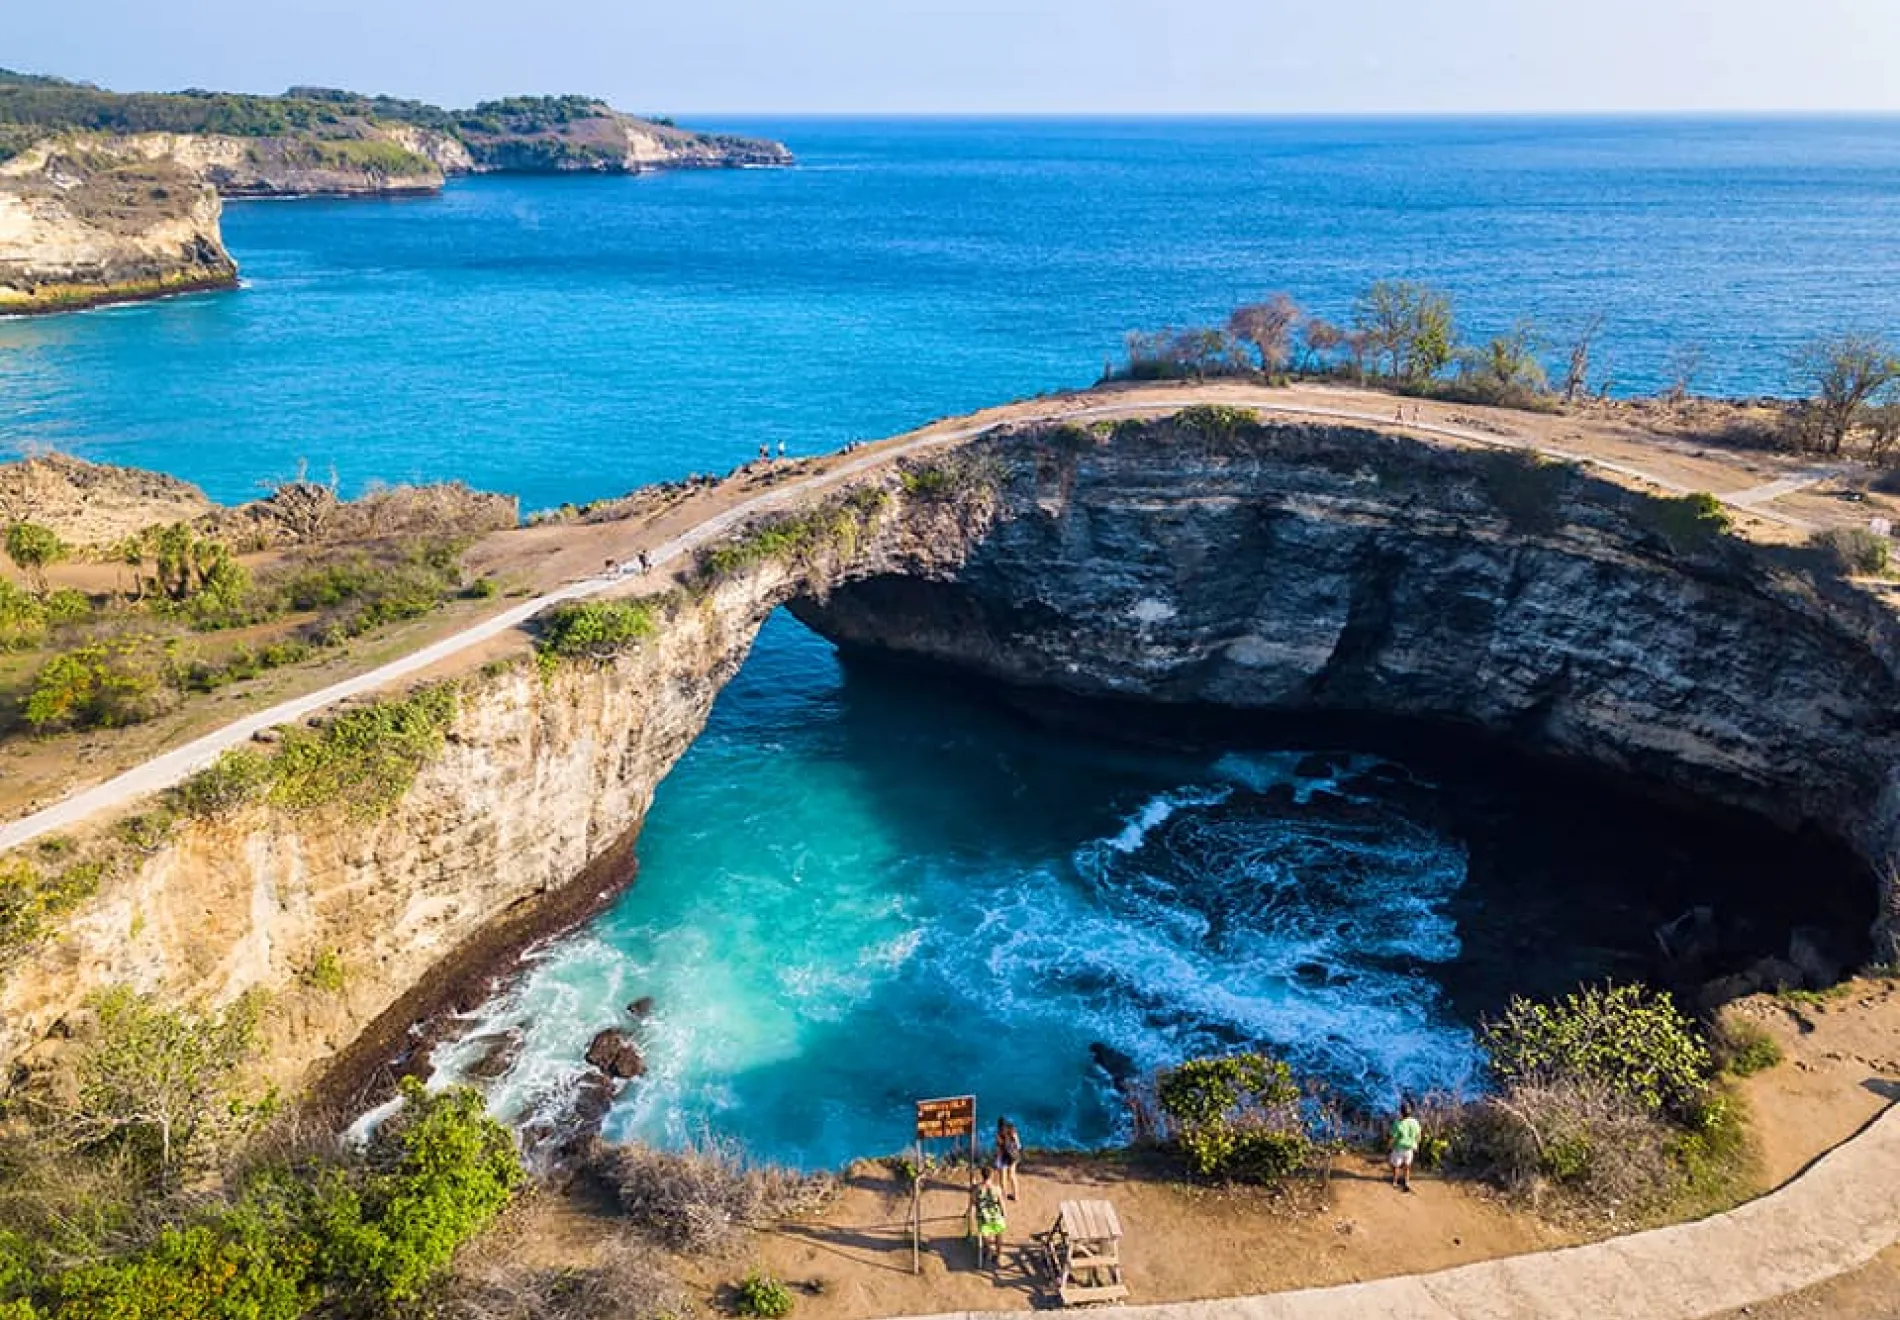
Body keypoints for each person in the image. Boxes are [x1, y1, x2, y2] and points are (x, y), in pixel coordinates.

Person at [970, 1165, 1007, 1269]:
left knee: (986, 1234)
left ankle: (989, 1250)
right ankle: (998, 1255)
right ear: (991, 1176)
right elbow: (1001, 1204)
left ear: (982, 1175)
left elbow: (973, 1202)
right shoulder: (997, 1189)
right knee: (999, 1235)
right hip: (996, 1216)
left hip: (984, 1218)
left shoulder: (977, 1189)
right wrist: (1004, 1215)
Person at [1389, 1100, 1422, 1193]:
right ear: (1410, 1112)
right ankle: (1406, 1182)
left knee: (1395, 1166)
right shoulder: (1415, 1122)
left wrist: (1389, 1146)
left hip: (1399, 1148)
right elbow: (1418, 1135)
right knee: (1407, 1166)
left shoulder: (1398, 1123)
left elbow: (1393, 1138)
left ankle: (1395, 1181)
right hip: (1410, 1148)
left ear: (1401, 1112)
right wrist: (1417, 1144)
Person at [994, 1116, 1023, 1200]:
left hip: (1004, 1157)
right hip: (1013, 1156)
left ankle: (1003, 1195)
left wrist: (997, 1160)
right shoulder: (1012, 1129)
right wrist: (1015, 1151)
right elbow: (1018, 1145)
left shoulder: (999, 1134)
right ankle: (1016, 1196)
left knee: (1002, 1177)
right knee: (1012, 1175)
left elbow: (999, 1150)